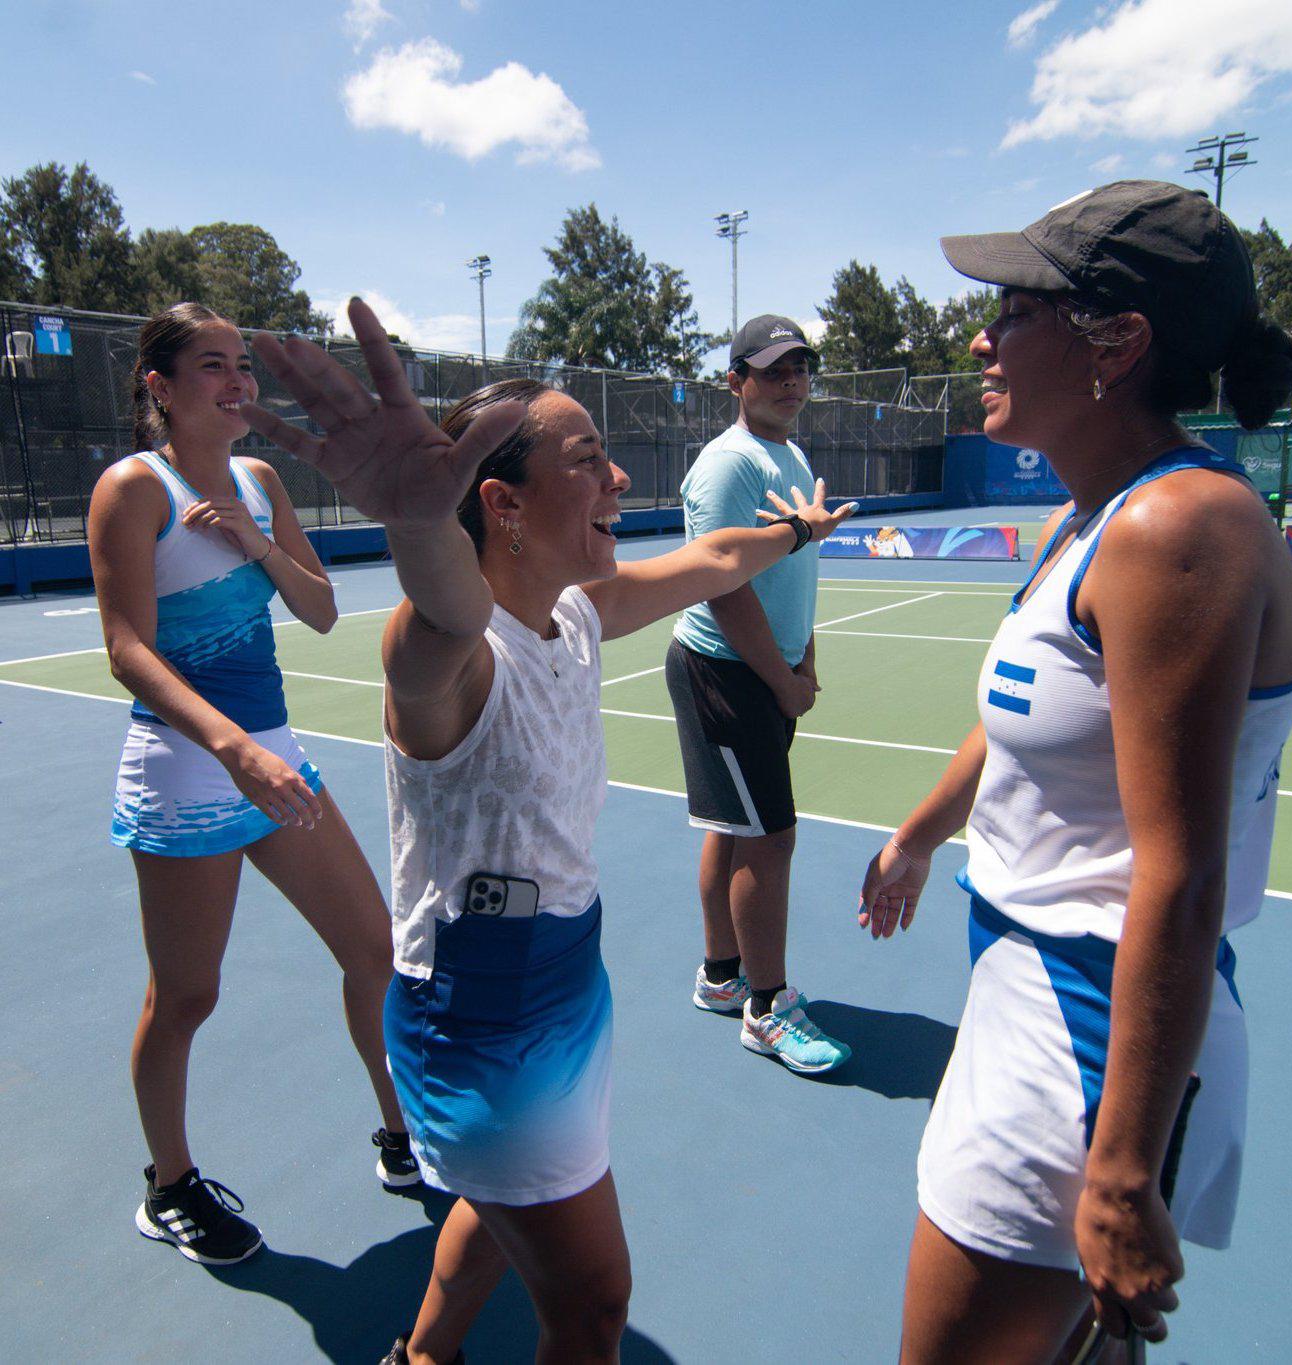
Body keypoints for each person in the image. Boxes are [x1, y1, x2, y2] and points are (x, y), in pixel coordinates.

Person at [240, 298, 856, 1365]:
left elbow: (711, 560)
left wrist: (795, 530)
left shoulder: (579, 607)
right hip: (479, 1015)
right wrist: (418, 523)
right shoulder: (453, 658)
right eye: (590, 459)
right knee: (595, 1305)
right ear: (503, 505)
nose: (620, 480)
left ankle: (421, 1356)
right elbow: (439, 616)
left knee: (502, 1206)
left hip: (568, 973)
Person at [857, 182, 1292, 1363]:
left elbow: (1183, 872)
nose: (979, 337)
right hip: (1037, 993)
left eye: (1013, 308)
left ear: (1119, 342)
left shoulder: (1177, 531)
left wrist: (1115, 1171)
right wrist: (922, 830)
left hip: (1091, 1027)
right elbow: (1028, 717)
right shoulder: (1096, 513)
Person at [88, 303, 418, 1268]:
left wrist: (256, 542)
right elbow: (126, 650)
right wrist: (233, 748)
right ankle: (170, 1184)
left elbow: (318, 610)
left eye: (243, 366)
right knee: (187, 996)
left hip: (274, 757)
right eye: (211, 366)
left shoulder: (261, 480)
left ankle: (404, 1140)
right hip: (189, 766)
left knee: (375, 950)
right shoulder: (131, 489)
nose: (238, 383)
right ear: (159, 385)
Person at [664, 314, 852, 1074]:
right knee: (770, 836)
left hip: (767, 672)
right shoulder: (729, 465)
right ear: (735, 380)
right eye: (773, 370)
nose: (790, 382)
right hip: (726, 671)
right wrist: (780, 681)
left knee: (737, 828)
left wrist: (804, 661)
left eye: (800, 368)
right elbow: (722, 586)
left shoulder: (790, 456)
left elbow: (794, 574)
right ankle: (767, 1006)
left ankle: (720, 974)